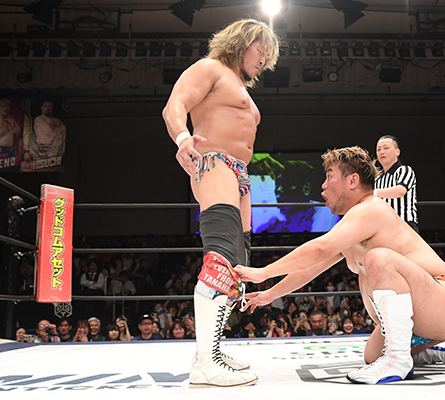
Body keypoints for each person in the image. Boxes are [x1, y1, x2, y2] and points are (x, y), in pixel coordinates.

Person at [236, 146, 445, 384]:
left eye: (329, 177)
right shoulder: (352, 227)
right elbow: (310, 267)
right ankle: (440, 353)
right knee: (372, 356)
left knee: (378, 258)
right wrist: (270, 294)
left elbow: (320, 248)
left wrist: (264, 272)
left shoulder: (372, 208)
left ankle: (398, 361)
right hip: (420, 318)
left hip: (441, 300)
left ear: (353, 181)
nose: (323, 185)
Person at [161, 18, 280, 388]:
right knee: (221, 257)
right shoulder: (210, 68)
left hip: (240, 175)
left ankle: (209, 349)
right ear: (242, 42)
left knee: (238, 266)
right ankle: (205, 364)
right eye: (262, 50)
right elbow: (175, 104)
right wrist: (182, 137)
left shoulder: (240, 86)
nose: (264, 60)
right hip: (214, 162)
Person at [374, 135, 418, 233]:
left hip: (405, 225)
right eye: (378, 149)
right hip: (384, 228)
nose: (382, 152)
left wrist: (372, 193)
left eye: (386, 148)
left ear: (397, 152)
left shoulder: (405, 170)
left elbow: (400, 191)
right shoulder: (378, 180)